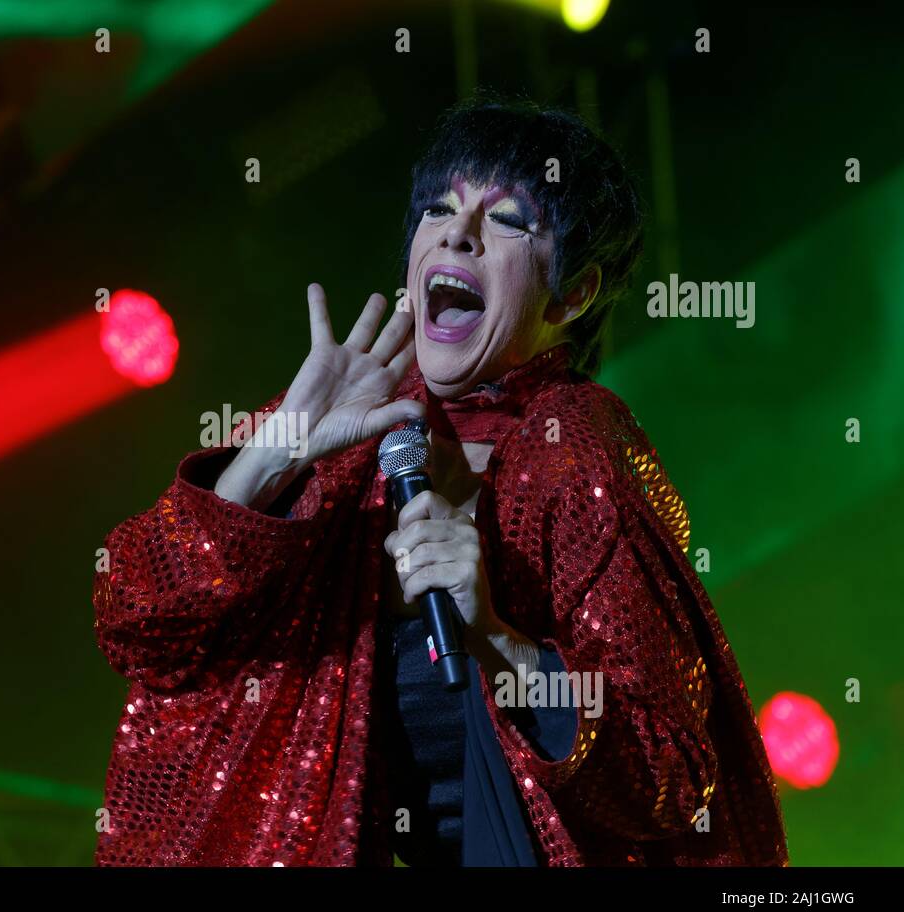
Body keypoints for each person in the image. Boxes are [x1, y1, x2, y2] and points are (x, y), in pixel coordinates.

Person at [91, 99, 788, 866]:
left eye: (510, 219)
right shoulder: (353, 437)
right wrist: (279, 444)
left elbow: (667, 778)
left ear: (573, 295)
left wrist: (496, 640)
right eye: (439, 207)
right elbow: (136, 618)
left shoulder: (575, 443)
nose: (458, 232)